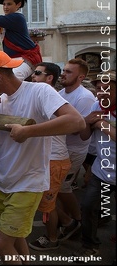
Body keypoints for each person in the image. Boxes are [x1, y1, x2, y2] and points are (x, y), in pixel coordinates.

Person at [0, 50, 85, 263]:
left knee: (1, 243)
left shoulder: (39, 91)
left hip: (28, 183)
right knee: (17, 236)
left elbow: (77, 122)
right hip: (2, 180)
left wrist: (28, 131)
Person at [27, 62, 72, 251]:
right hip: (49, 159)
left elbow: (74, 122)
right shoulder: (45, 96)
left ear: (49, 78)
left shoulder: (50, 98)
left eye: (37, 73)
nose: (32, 77)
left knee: (47, 205)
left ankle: (52, 238)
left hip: (54, 160)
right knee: (48, 201)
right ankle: (69, 222)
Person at [74, 71, 116, 259]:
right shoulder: (95, 106)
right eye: (99, 88)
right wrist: (87, 122)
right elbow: (84, 137)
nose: (101, 92)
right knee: (88, 206)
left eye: (107, 88)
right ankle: (89, 246)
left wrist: (101, 125)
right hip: (102, 170)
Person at [56, 58, 96, 241]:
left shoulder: (85, 97)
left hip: (73, 150)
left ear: (81, 77)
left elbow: (78, 129)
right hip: (60, 148)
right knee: (57, 188)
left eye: (68, 72)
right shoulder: (61, 92)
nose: (63, 74)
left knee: (62, 187)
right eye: (64, 70)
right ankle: (66, 220)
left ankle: (78, 222)